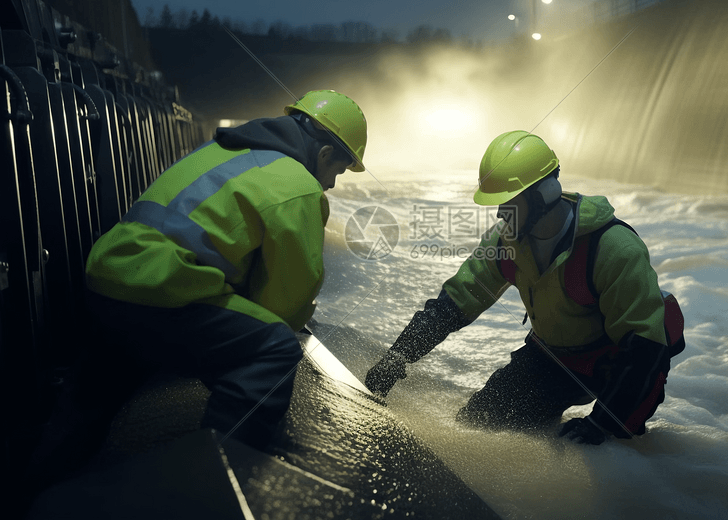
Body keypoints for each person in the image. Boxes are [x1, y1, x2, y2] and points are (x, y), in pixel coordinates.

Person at [84, 89, 368, 450]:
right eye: (338, 171)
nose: (331, 184)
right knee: (275, 347)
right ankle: (225, 463)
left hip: (107, 278)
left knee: (88, 410)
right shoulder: (298, 187)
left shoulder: (222, 151)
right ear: (325, 153)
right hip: (161, 291)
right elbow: (285, 305)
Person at [365, 130, 683, 445]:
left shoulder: (613, 248)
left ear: (543, 194)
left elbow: (645, 349)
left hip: (622, 362)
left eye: (509, 203)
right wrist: (398, 356)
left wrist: (600, 425)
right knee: (476, 425)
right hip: (552, 358)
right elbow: (454, 305)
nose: (501, 213)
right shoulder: (505, 240)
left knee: (607, 443)